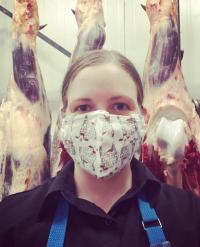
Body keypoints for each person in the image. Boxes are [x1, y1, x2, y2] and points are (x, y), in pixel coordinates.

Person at [0, 49, 200, 247]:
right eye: (84, 108)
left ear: (144, 118)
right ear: (64, 120)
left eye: (120, 106)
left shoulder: (189, 214)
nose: (101, 125)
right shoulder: (13, 219)